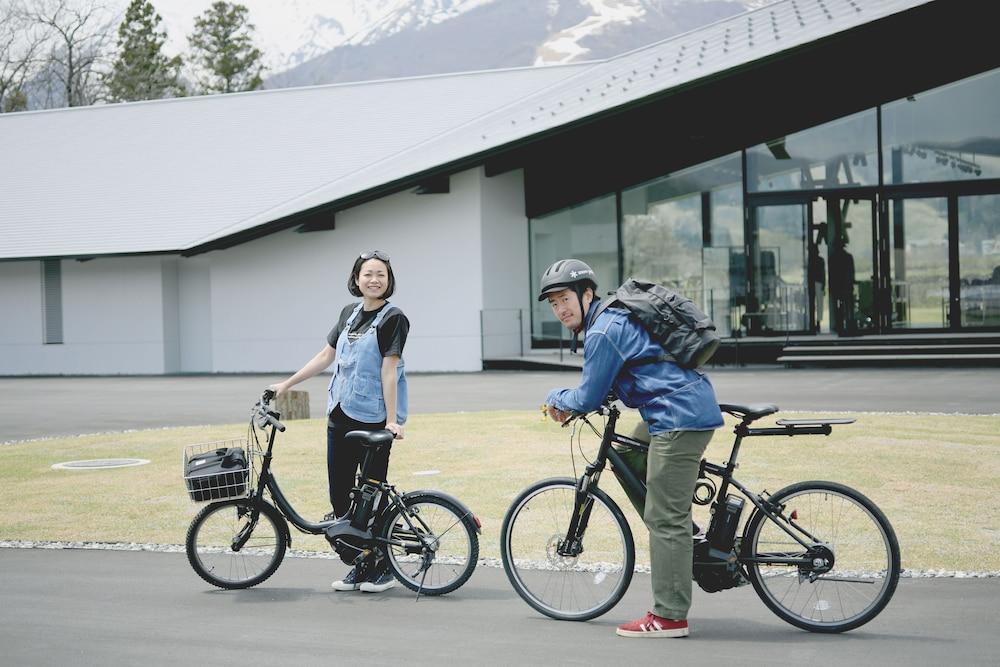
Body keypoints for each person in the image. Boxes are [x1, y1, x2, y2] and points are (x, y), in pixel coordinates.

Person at [538, 258, 723, 639]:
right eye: (553, 303)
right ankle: (683, 529)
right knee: (632, 449)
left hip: (678, 416)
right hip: (673, 410)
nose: (560, 309)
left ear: (587, 294)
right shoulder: (612, 319)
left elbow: (587, 396)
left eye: (565, 299)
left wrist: (557, 398)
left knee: (664, 516)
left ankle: (669, 616)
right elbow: (627, 370)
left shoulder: (603, 330)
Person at [270, 250, 409, 594]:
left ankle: (382, 569)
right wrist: (285, 385)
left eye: (381, 274)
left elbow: (389, 369)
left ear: (389, 280)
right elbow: (325, 355)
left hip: (375, 419)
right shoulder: (349, 313)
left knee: (369, 499)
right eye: (368, 274)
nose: (374, 279)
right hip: (340, 415)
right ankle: (361, 564)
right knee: (340, 500)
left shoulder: (394, 317)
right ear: (356, 279)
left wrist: (392, 421)